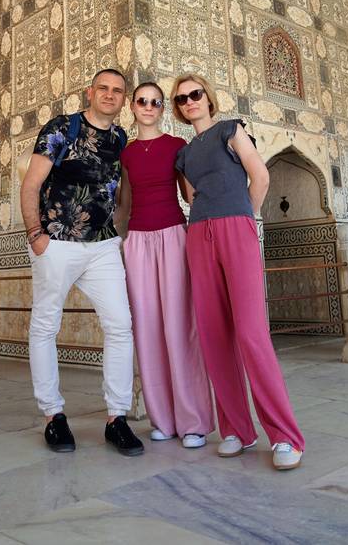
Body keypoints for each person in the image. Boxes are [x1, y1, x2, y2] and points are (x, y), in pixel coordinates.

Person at [171, 73, 305, 471]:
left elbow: (259, 176)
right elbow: (191, 197)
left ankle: (285, 436)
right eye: (181, 99)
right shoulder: (183, 154)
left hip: (237, 228)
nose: (189, 101)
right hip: (199, 234)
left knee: (250, 333)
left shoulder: (231, 130)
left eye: (195, 94)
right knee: (214, 334)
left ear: (208, 98)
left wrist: (244, 217)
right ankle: (236, 430)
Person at [20, 68, 144, 457]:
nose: (110, 95)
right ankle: (53, 416)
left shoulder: (120, 138)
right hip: (57, 242)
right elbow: (32, 184)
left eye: (118, 91)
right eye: (103, 88)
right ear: (89, 92)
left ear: (123, 99)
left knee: (120, 325)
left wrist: (119, 230)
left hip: (103, 246)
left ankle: (117, 418)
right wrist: (36, 236)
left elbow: (120, 189)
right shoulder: (61, 128)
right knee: (45, 325)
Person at [117, 82, 214, 449]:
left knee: (179, 327)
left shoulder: (177, 146)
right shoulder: (125, 154)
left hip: (174, 236)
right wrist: (119, 242)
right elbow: (124, 204)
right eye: (141, 101)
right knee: (147, 329)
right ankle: (162, 419)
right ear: (133, 106)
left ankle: (193, 422)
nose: (148, 107)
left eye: (155, 102)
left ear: (162, 108)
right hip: (137, 242)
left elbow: (191, 194)